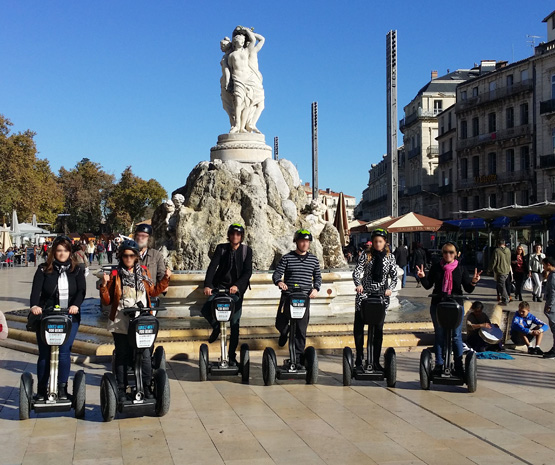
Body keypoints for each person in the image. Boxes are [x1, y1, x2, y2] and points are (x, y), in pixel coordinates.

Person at [99, 240, 170, 400]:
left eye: (131, 255)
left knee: (145, 355)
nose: (128, 258)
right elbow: (107, 301)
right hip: (120, 321)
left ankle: (146, 386)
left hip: (141, 320)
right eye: (125, 255)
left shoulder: (144, 272)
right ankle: (122, 389)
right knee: (122, 355)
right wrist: (103, 286)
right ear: (121, 256)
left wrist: (165, 279)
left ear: (136, 257)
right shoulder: (115, 275)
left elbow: (152, 292)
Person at [29, 235, 86, 400]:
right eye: (59, 250)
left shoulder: (77, 270)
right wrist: (35, 306)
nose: (62, 254)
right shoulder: (43, 269)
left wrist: (75, 306)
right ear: (54, 252)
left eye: (65, 250)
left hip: (69, 317)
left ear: (70, 252)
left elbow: (81, 291)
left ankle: (62, 388)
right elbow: (36, 291)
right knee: (45, 353)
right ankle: (41, 390)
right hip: (46, 316)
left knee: (64, 352)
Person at [417, 242, 482, 376]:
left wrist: (474, 281)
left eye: (451, 252)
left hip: (455, 306)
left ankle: (458, 365)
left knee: (456, 336)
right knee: (439, 335)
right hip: (438, 305)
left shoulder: (461, 269)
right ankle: (439, 364)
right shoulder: (436, 267)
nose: (448, 254)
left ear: (456, 254)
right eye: (445, 252)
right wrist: (422, 277)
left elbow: (468, 289)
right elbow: (428, 286)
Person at [201, 223, 253, 365]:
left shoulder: (246, 250)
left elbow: (248, 271)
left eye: (238, 234)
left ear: (241, 236)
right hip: (220, 288)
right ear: (229, 235)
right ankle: (216, 327)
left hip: (236, 291)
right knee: (206, 309)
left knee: (234, 324)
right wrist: (208, 285)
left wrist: (237, 286)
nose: (235, 236)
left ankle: (231, 356)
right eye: (233, 234)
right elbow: (212, 267)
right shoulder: (221, 248)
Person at [272, 229, 322, 370]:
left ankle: (298, 358)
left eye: (307, 241)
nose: (305, 244)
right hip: (288, 296)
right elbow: (277, 274)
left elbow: (318, 277)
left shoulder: (313, 260)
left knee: (301, 329)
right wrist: (279, 282)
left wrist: (316, 288)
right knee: (280, 322)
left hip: (304, 298)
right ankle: (284, 331)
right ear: (296, 242)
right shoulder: (287, 258)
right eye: (302, 241)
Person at [352, 228, 398, 371]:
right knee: (359, 326)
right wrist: (358, 284)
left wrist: (389, 288)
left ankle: (376, 361)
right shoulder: (365, 255)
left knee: (378, 329)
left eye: (380, 241)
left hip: (381, 296)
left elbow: (395, 277)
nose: (378, 244)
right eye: (376, 241)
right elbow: (357, 272)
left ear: (385, 243)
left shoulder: (390, 258)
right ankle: (359, 356)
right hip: (364, 294)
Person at [542, 257, 555, 358]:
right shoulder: (551, 274)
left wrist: (550, 306)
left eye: (544, 265)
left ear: (549, 264)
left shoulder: (553, 276)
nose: (543, 267)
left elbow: (553, 293)